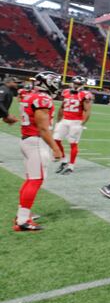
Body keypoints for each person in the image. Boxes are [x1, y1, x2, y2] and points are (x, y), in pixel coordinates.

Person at [14, 72, 63, 231]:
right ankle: (22, 221)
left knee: (31, 179)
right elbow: (42, 128)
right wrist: (56, 148)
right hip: (36, 141)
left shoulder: (29, 95)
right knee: (35, 180)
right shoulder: (42, 99)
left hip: (28, 140)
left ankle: (22, 214)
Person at [53, 75, 93, 175]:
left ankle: (71, 166)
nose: (76, 85)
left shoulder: (84, 94)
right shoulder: (66, 92)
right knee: (56, 140)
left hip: (76, 122)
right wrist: (58, 120)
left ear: (82, 85)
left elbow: (87, 110)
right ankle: (64, 160)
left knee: (73, 144)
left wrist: (82, 123)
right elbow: (62, 107)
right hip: (65, 120)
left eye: (78, 84)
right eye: (75, 83)